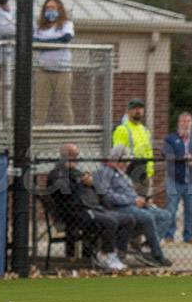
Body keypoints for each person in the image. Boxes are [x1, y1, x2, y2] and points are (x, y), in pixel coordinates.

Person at [46, 143, 134, 271]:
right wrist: (80, 181)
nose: (76, 158)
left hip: (93, 208)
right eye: (73, 155)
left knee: (128, 219)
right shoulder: (57, 173)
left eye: (76, 155)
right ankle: (106, 255)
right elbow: (64, 193)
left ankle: (116, 254)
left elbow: (94, 186)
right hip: (75, 212)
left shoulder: (77, 172)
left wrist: (90, 182)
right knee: (111, 222)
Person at [93, 145, 173, 267]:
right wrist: (132, 200)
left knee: (166, 215)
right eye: (125, 161)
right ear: (116, 159)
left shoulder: (122, 173)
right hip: (118, 208)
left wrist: (142, 200)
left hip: (133, 205)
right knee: (147, 217)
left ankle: (147, 250)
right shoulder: (104, 172)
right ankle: (158, 255)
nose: (127, 164)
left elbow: (130, 193)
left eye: (128, 160)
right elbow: (107, 197)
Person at [33, 0, 75, 125]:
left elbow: (65, 39)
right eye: (47, 8)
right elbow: (34, 43)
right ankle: (37, 132)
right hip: (44, 71)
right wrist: (51, 44)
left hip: (62, 71)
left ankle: (69, 132)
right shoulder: (40, 27)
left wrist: (45, 45)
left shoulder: (66, 24)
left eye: (53, 8)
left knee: (64, 103)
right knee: (41, 104)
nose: (50, 11)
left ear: (59, 9)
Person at [164, 112, 192, 243]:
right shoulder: (171, 139)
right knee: (171, 209)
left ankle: (188, 236)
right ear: (178, 123)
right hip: (174, 179)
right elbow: (166, 154)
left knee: (191, 210)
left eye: (188, 121)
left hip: (191, 181)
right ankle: (169, 235)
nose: (186, 124)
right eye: (183, 121)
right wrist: (182, 159)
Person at [111, 98, 156, 190]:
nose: (138, 111)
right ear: (128, 111)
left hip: (143, 173)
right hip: (129, 172)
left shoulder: (145, 130)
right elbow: (117, 154)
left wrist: (150, 173)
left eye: (140, 108)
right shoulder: (122, 129)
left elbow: (149, 153)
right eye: (134, 108)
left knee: (144, 201)